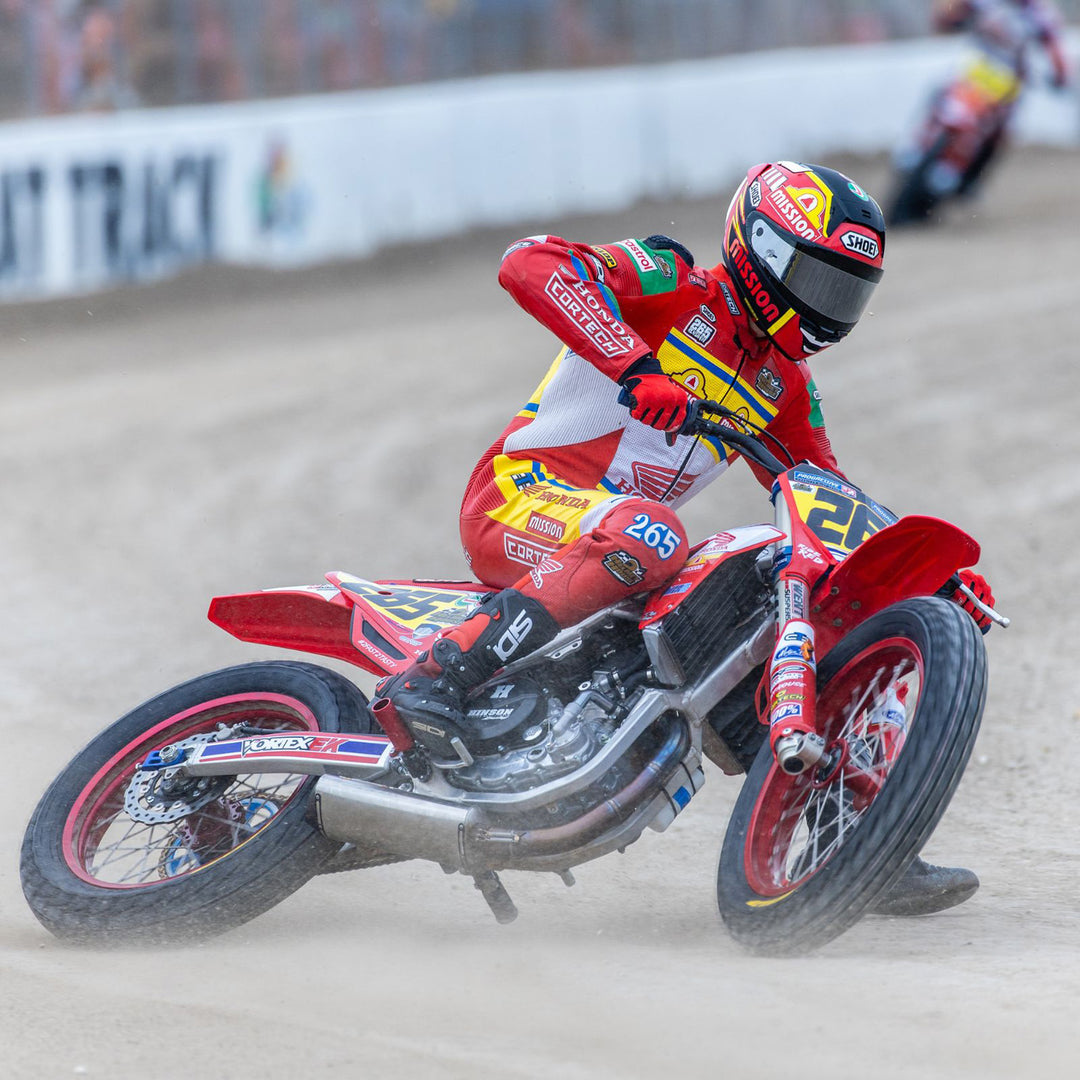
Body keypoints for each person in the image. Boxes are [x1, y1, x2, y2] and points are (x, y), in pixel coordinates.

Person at [379, 160, 994, 916]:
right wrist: (635, 368)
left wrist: (920, 578)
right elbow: (530, 262)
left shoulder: (785, 383)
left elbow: (826, 496)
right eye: (820, 278)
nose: (832, 307)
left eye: (848, 289)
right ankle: (432, 677)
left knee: (776, 601)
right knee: (655, 533)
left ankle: (865, 838)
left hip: (623, 551)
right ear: (763, 251)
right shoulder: (673, 279)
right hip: (519, 499)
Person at [928, 0, 1070, 198]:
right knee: (941, 102)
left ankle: (970, 179)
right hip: (973, 70)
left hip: (1009, 82)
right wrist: (951, 16)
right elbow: (947, 17)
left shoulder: (1038, 12)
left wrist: (1060, 75)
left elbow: (1054, 48)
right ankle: (920, 149)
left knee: (999, 134)